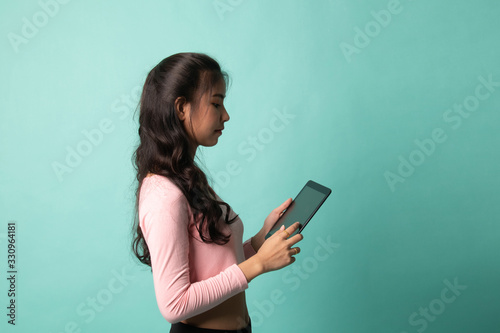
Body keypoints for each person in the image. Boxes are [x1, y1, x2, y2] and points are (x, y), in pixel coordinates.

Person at [130, 52, 303, 333]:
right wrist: (258, 264)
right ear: (181, 108)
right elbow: (173, 304)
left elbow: (216, 268)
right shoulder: (163, 195)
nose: (226, 115)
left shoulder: (187, 179)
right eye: (216, 103)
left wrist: (259, 241)